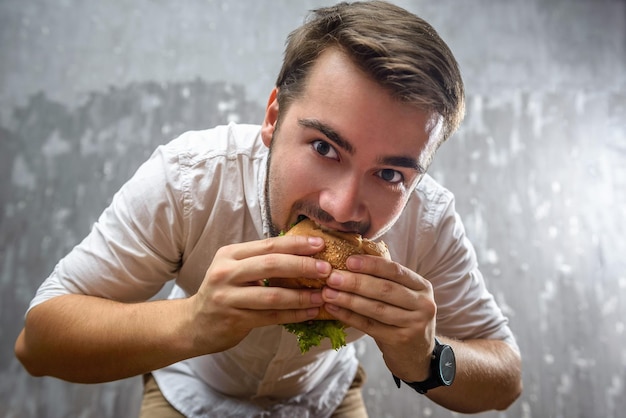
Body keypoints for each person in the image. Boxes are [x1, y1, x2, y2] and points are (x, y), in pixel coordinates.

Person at [15, 1, 522, 417]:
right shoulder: (189, 179)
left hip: (327, 398)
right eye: (325, 148)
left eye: (390, 174)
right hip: (188, 393)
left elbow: (505, 379)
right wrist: (192, 322)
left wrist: (429, 358)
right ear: (274, 116)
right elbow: (37, 344)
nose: (341, 208)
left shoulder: (429, 220)